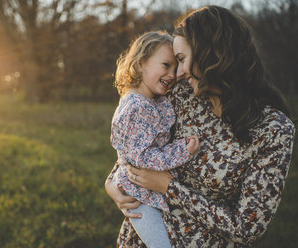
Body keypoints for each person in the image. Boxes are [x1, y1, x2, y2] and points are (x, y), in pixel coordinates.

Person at [105, 5, 295, 247]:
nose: (178, 73)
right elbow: (138, 146)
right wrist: (111, 184)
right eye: (173, 63)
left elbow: (246, 228)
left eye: (182, 60)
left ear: (214, 55)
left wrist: (169, 188)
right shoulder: (181, 96)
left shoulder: (273, 130)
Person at [110, 31, 200, 248]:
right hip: (139, 196)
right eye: (166, 65)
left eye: (175, 66)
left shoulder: (153, 100)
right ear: (140, 64)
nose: (173, 73)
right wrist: (182, 150)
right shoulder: (136, 108)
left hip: (145, 189)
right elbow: (143, 158)